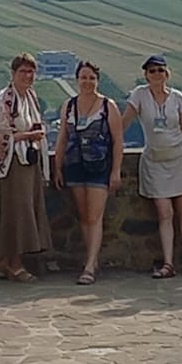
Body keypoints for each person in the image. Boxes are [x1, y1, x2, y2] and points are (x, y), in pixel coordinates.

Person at [0, 54, 52, 283]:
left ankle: (5, 262)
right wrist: (30, 135)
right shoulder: (2, 101)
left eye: (31, 72)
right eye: (23, 72)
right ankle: (15, 264)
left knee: (24, 211)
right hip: (12, 164)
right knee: (18, 214)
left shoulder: (29, 97)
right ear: (13, 74)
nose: (28, 77)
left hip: (29, 161)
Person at [120, 55, 182, 278]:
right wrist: (111, 139)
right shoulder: (139, 95)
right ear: (146, 74)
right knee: (165, 213)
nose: (156, 74)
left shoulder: (178, 98)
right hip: (155, 162)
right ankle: (168, 263)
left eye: (160, 70)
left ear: (167, 74)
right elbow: (124, 121)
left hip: (179, 159)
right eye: (152, 71)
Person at [51, 60, 124, 285]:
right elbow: (62, 137)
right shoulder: (69, 106)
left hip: (99, 167)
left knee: (94, 216)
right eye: (83, 77)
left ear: (97, 80)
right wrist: (57, 167)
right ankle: (91, 259)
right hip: (74, 166)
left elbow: (118, 140)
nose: (87, 82)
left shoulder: (107, 106)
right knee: (83, 215)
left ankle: (90, 265)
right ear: (77, 79)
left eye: (91, 78)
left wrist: (116, 171)